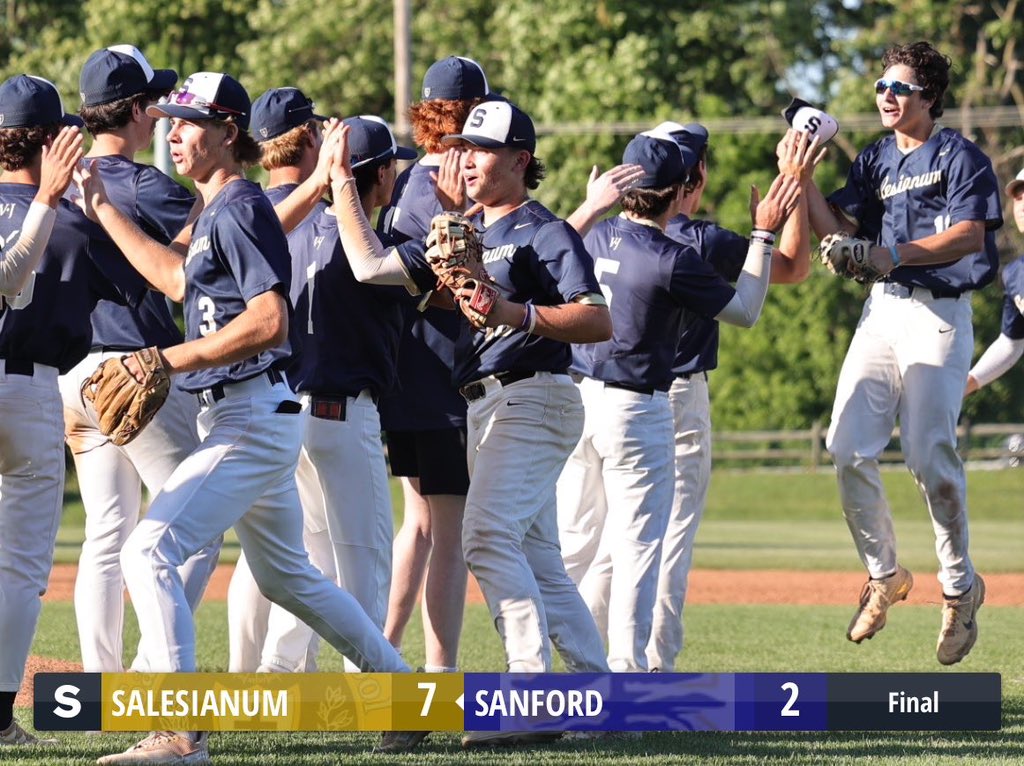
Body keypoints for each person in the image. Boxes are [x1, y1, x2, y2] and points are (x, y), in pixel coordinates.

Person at [74, 71, 420, 764]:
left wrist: (168, 359)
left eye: (190, 122)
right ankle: (402, 697)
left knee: (150, 551)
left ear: (229, 133)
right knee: (289, 577)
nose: (173, 132)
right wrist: (106, 211)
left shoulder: (238, 208)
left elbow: (269, 322)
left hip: (253, 416)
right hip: (239, 414)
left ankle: (179, 733)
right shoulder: (217, 211)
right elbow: (176, 279)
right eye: (168, 120)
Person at [331, 100, 615, 746]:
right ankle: (597, 698)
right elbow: (375, 269)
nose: (468, 157)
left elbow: (598, 321)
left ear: (520, 160)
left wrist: (516, 312)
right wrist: (344, 184)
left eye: (483, 148)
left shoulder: (546, 232)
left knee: (483, 538)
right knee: (539, 558)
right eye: (463, 145)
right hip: (485, 403)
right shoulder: (462, 232)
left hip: (535, 395)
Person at [556, 133, 804, 671]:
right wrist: (763, 233)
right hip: (636, 408)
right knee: (640, 550)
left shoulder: (592, 238)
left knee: (575, 547)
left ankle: (558, 674)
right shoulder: (672, 255)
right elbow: (745, 311)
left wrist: (589, 203)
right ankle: (624, 682)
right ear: (678, 193)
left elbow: (547, 251)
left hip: (578, 403)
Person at [804, 41, 1001, 664]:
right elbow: (835, 228)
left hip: (939, 315)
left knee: (928, 458)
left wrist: (897, 253)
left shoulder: (960, 155)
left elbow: (969, 234)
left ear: (930, 98)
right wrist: (800, 175)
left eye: (901, 88)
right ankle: (885, 576)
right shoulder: (874, 159)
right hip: (883, 311)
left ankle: (961, 588)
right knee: (845, 446)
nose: (886, 96)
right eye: (881, 87)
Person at [63, 44, 221, 676]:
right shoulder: (143, 183)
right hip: (136, 369)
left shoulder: (62, 182)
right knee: (199, 525)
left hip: (74, 375)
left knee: (107, 535)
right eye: (150, 102)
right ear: (131, 110)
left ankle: (101, 684)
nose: (157, 113)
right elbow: (212, 240)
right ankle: (150, 670)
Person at [0, 75, 145, 747]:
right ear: (58, 140)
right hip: (33, 390)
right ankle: (1, 720)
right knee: (22, 568)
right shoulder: (78, 216)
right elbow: (146, 287)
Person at [644, 122, 818, 671]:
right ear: (693, 179)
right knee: (669, 540)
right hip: (674, 399)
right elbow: (792, 268)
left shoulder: (608, 233)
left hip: (604, 397)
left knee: (601, 540)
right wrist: (792, 186)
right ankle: (653, 668)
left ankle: (590, 668)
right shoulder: (704, 242)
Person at [376, 55, 488, 676]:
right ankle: (439, 673)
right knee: (450, 533)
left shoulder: (407, 176)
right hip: (443, 373)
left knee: (419, 523)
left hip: (406, 372)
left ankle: (381, 652)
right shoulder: (445, 183)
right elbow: (463, 279)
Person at [225, 85, 329, 674]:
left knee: (257, 553)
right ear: (310, 137)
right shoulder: (331, 209)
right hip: (302, 397)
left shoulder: (242, 209)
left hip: (259, 395)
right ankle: (282, 674)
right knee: (311, 551)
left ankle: (250, 674)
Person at [964, 169, 1024, 396]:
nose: (1021, 203)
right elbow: (1012, 343)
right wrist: (970, 381)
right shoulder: (1016, 274)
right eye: (1018, 197)